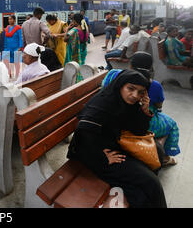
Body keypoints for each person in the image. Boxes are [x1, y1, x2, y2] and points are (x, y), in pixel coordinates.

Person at [67, 69, 167, 208]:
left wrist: (144, 111)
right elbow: (83, 131)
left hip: (111, 144)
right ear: (120, 85)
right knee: (151, 182)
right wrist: (102, 157)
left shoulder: (126, 103)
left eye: (140, 92)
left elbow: (138, 130)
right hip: (92, 153)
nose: (134, 95)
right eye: (130, 89)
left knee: (158, 153)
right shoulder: (103, 103)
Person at [102, 52, 180, 167]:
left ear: (130, 65)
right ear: (150, 68)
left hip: (113, 118)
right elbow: (159, 106)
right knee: (172, 124)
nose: (134, 95)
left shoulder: (113, 74)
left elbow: (103, 90)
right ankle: (165, 157)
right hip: (132, 123)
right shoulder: (154, 85)